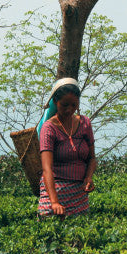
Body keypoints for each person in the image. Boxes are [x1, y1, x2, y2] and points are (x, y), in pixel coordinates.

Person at [38, 78, 97, 217]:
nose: (69, 109)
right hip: (54, 190)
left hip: (79, 194)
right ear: (55, 103)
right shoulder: (49, 128)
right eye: (64, 105)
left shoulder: (85, 123)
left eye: (73, 104)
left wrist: (88, 178)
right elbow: (47, 169)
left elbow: (92, 158)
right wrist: (54, 202)